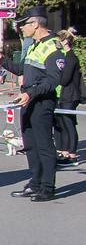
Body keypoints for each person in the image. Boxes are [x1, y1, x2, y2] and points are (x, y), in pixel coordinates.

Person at [0, 6, 65, 201]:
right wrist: (1, 60)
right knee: (30, 145)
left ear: (36, 24)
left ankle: (47, 187)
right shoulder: (34, 45)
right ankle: (35, 183)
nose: (21, 28)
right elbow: (22, 69)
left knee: (44, 145)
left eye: (24, 24)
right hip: (28, 99)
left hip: (41, 101)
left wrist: (31, 93)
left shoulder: (53, 46)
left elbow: (53, 79)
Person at [53, 28, 81, 166]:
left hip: (70, 95)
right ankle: (64, 152)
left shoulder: (71, 58)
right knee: (63, 124)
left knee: (69, 124)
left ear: (65, 42)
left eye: (59, 40)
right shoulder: (66, 56)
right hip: (65, 95)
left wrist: (55, 75)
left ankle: (73, 155)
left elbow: (64, 79)